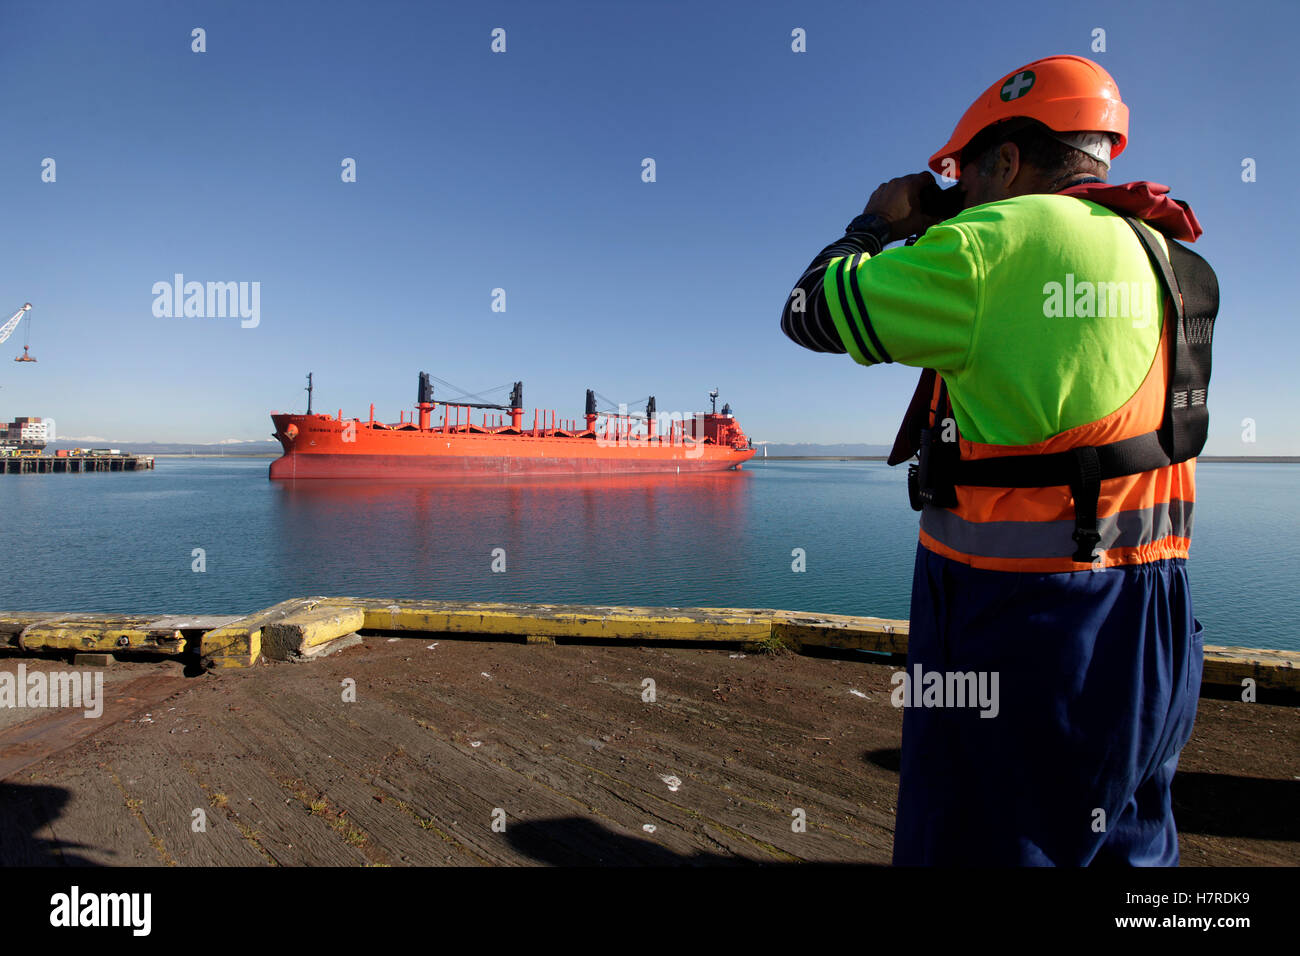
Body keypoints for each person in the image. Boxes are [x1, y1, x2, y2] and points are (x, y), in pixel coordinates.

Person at [780, 54, 1218, 865]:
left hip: (1024, 620)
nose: (961, 201)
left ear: (1008, 161)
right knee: (1130, 843)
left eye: (968, 177)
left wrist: (876, 225)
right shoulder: (1170, 258)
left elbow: (808, 310)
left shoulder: (997, 238)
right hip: (1158, 611)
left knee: (982, 842)